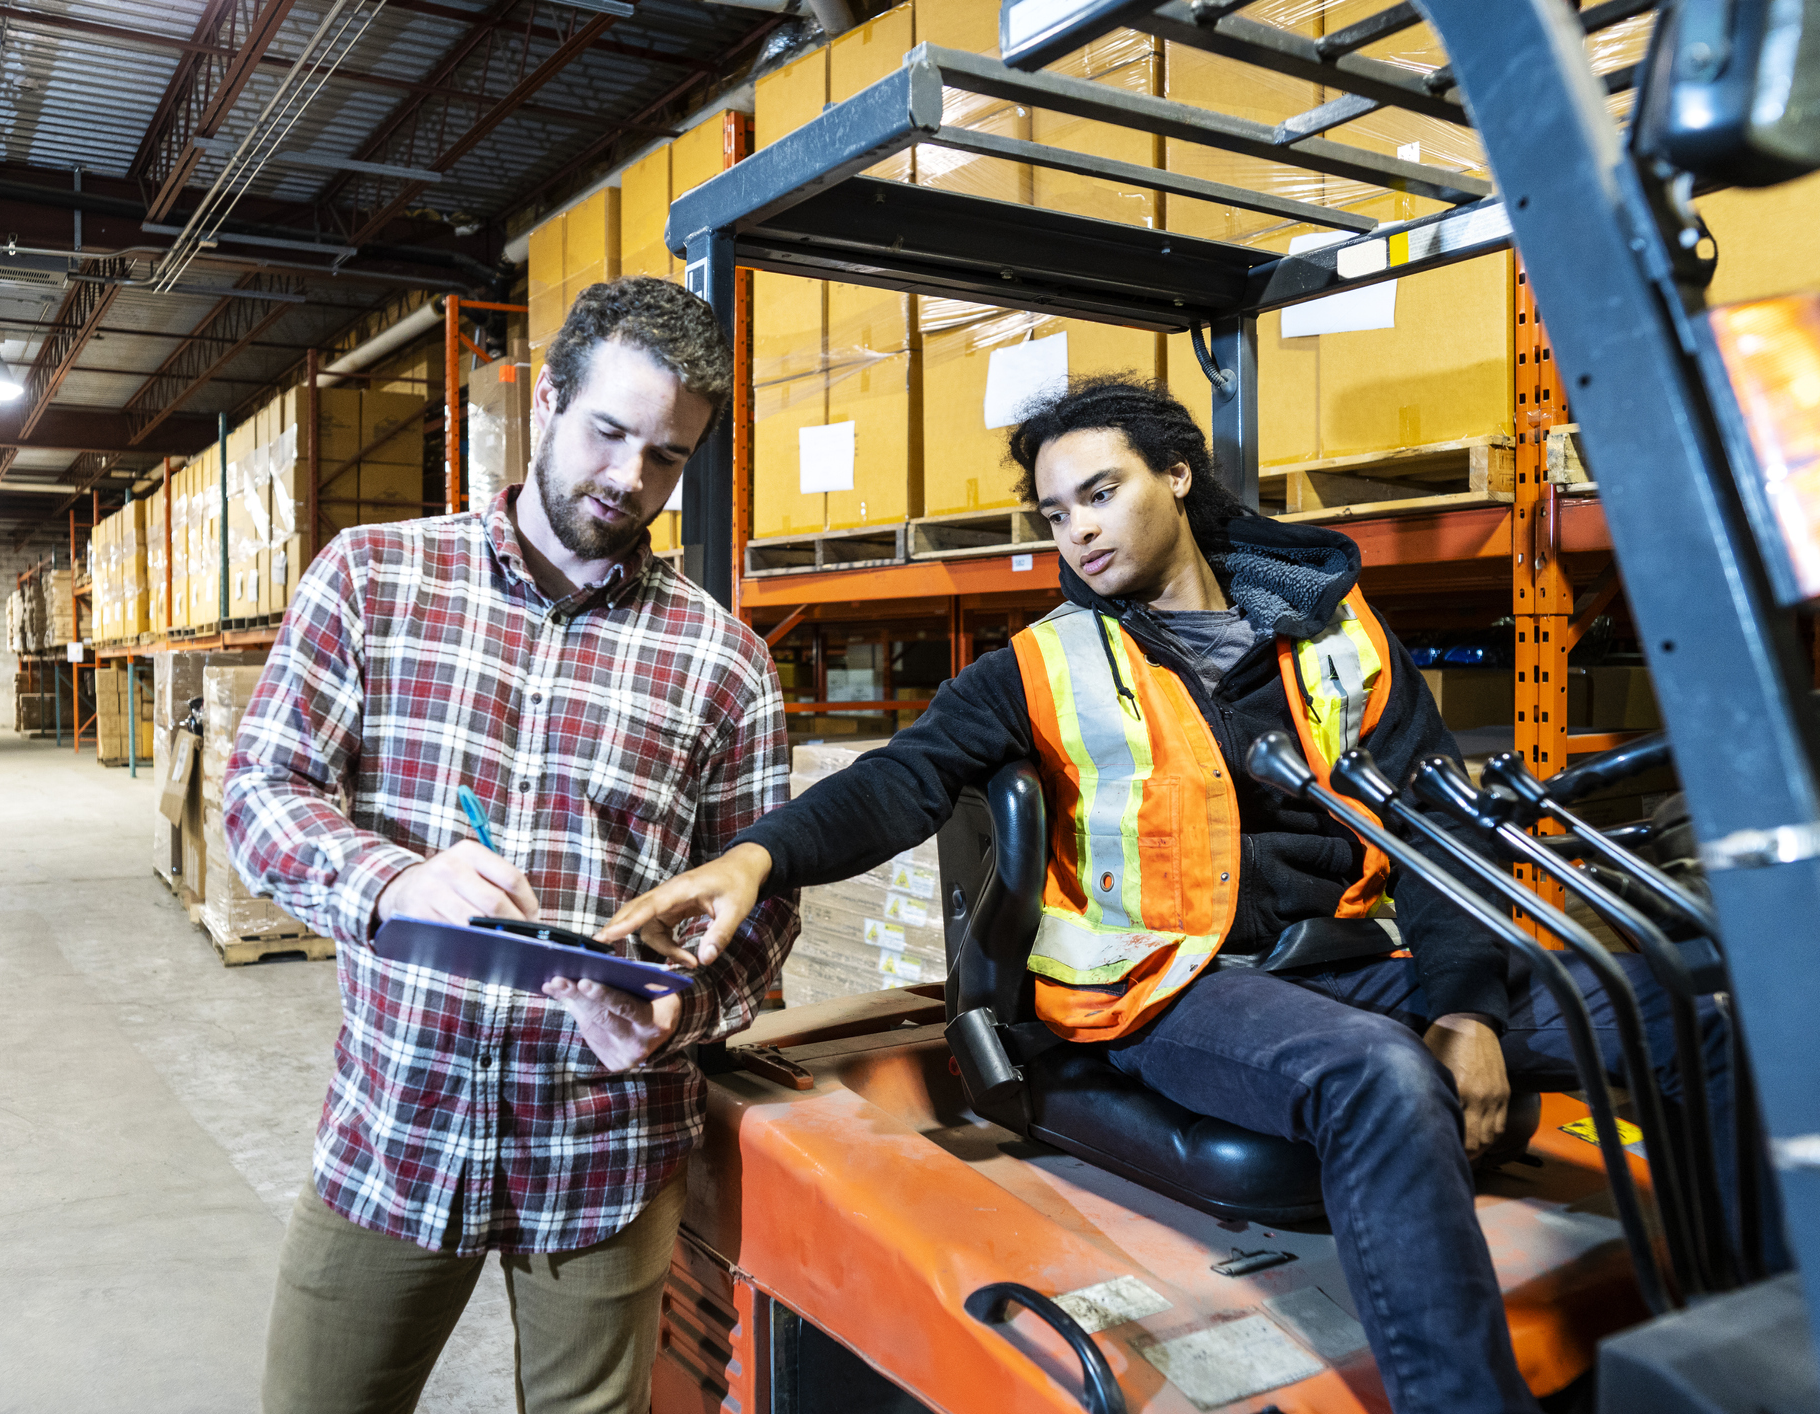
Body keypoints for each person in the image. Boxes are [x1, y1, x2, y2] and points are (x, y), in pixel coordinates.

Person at [599, 373, 1763, 1414]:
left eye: (1098, 493)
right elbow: (902, 779)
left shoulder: (1336, 635)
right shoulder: (1042, 665)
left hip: (1347, 959)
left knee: (1682, 1001)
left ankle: (1754, 1328)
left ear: (1176, 472)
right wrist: (754, 859)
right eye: (1055, 513)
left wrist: (1464, 1005)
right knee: (1378, 1075)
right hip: (1163, 985)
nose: (1078, 531)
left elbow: (1434, 831)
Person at [224, 275, 799, 1414]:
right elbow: (260, 791)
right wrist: (394, 880)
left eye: (669, 457)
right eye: (609, 432)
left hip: (601, 1149)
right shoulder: (374, 578)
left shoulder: (722, 661)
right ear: (544, 400)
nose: (631, 480)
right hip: (399, 1122)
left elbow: (764, 911)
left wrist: (685, 1004)